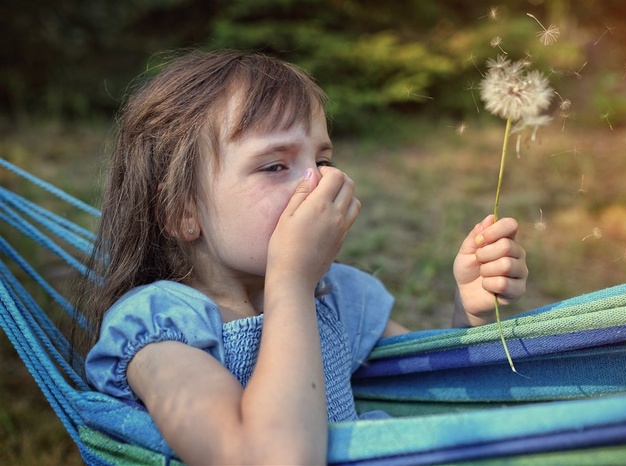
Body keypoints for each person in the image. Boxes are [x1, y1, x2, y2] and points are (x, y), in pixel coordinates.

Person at [79, 50, 528, 464]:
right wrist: (290, 281)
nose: (317, 183)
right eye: (276, 165)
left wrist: (468, 314)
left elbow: (434, 400)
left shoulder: (336, 296)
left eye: (323, 160)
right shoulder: (160, 329)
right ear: (183, 211)